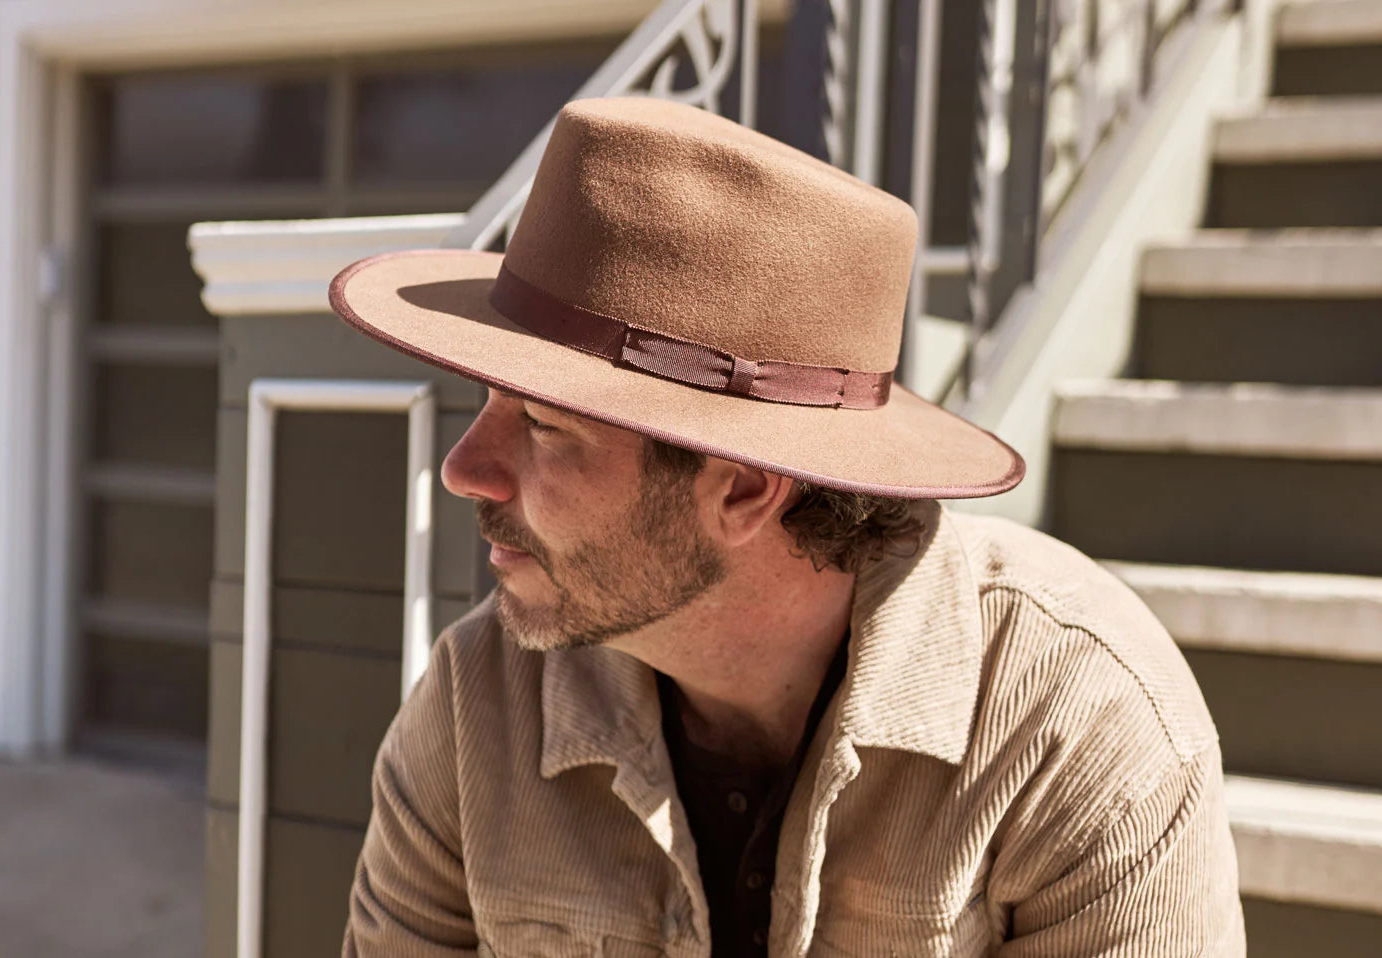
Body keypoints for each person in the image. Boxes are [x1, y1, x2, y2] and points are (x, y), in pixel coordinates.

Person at [329, 97, 1244, 956]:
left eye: (542, 425)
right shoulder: (478, 699)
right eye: (489, 405)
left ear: (746, 490)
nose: (462, 468)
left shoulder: (1071, 722)